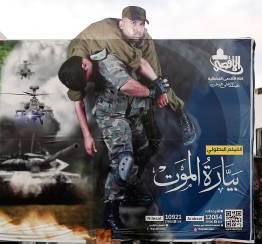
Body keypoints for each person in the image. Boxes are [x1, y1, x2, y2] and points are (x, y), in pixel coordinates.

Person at [59, 51, 166, 231]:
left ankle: (131, 191)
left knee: (143, 153)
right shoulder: (75, 73)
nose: (85, 85)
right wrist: (86, 135)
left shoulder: (107, 64)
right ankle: (110, 210)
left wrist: (156, 89)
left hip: (132, 112)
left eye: (85, 81)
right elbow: (79, 102)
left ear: (85, 64)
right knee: (124, 161)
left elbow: (128, 84)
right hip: (110, 116)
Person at [65, 6, 197, 147]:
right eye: (133, 23)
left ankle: (179, 114)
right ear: (122, 24)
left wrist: (160, 89)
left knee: (155, 80)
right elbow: (78, 101)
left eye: (141, 24)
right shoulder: (72, 70)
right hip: (110, 47)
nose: (138, 28)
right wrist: (87, 135)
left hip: (133, 44)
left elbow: (142, 64)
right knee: (116, 89)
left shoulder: (126, 38)